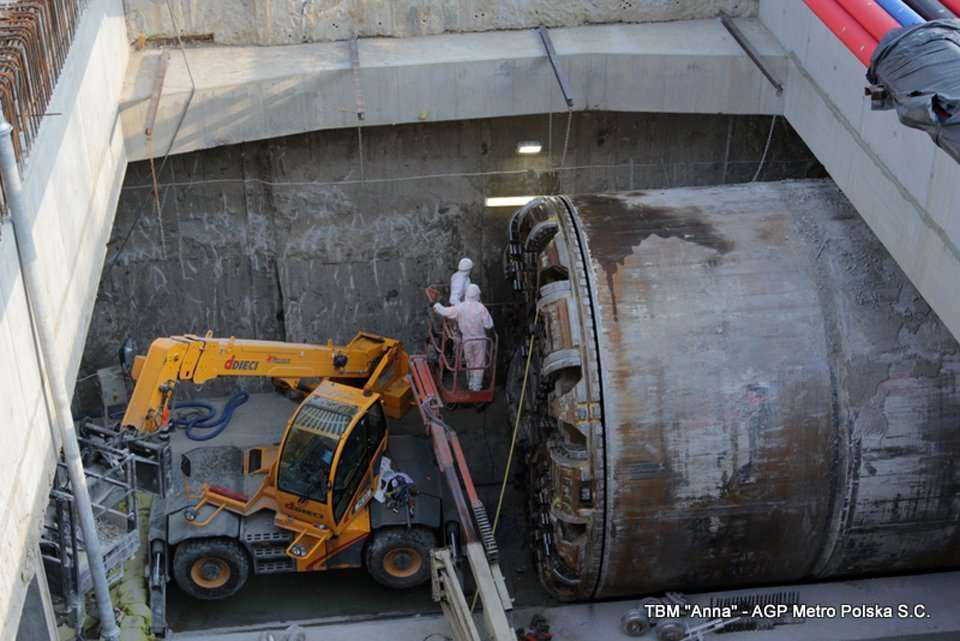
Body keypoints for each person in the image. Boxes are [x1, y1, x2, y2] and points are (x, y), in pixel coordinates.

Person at [433, 284, 494, 391]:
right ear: (477, 294)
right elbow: (489, 325)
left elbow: (446, 311)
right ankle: (476, 387)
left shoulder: (461, 307)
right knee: (479, 363)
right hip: (480, 340)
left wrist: (437, 306)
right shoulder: (481, 308)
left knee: (469, 361)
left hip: (467, 340)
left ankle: (470, 383)